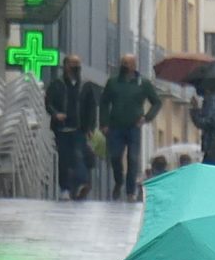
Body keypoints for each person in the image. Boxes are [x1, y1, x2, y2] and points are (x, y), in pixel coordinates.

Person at [99, 54, 163, 200]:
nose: (125, 66)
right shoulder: (113, 82)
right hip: (115, 127)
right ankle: (118, 181)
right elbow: (104, 102)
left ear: (135, 65)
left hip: (134, 127)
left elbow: (157, 102)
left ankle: (130, 192)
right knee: (115, 157)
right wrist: (103, 123)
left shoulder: (143, 83)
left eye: (128, 63)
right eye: (123, 63)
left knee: (133, 158)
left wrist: (147, 118)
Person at [44, 55, 98, 200]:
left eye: (78, 64)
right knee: (64, 160)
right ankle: (65, 189)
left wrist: (91, 128)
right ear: (66, 65)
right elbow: (48, 103)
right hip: (61, 130)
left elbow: (91, 108)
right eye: (74, 64)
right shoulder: (57, 84)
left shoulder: (85, 86)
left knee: (78, 155)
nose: (77, 67)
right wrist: (56, 114)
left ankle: (82, 183)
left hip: (79, 129)